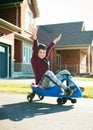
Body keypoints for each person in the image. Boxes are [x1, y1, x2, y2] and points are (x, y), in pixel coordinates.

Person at [30, 20, 74, 96]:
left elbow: (50, 47)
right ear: (37, 52)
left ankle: (72, 87)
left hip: (51, 81)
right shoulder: (34, 59)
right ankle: (66, 89)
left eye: (44, 53)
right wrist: (34, 35)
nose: (42, 54)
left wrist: (56, 40)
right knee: (49, 73)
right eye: (40, 52)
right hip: (42, 84)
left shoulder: (44, 59)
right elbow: (35, 46)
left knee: (65, 72)